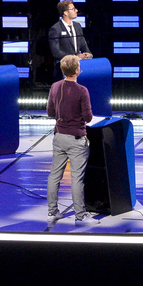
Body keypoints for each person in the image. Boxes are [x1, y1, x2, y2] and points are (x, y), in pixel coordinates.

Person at [46, 55, 94, 224]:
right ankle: (80, 216)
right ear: (76, 71)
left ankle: (52, 212)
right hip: (76, 139)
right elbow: (88, 118)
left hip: (59, 137)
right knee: (76, 178)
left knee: (54, 175)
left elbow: (50, 113)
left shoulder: (55, 86)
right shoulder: (82, 91)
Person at [46, 0, 92, 79]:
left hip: (79, 68)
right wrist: (75, 57)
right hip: (63, 69)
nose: (76, 10)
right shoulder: (55, 29)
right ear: (65, 13)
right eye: (73, 9)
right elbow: (56, 52)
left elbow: (83, 44)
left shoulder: (77, 26)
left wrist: (88, 54)